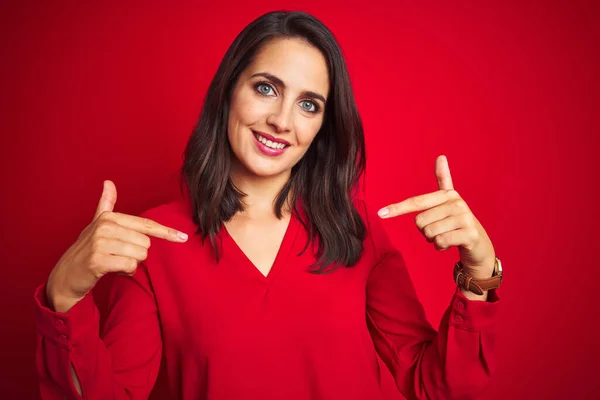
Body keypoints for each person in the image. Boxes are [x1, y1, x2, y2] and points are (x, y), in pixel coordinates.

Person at [33, 10, 502, 400]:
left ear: (323, 126)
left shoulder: (355, 233)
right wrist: (65, 299)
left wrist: (479, 274)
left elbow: (433, 387)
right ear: (229, 91)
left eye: (309, 104)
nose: (281, 121)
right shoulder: (154, 243)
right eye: (266, 88)